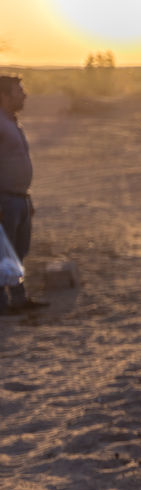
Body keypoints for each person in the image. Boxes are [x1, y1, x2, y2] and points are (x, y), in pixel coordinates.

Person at [0, 75, 47, 315]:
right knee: (2, 253)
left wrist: (27, 199)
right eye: (19, 91)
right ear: (4, 96)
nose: (25, 95)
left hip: (19, 199)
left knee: (18, 252)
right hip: (4, 200)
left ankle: (18, 300)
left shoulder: (11, 123)